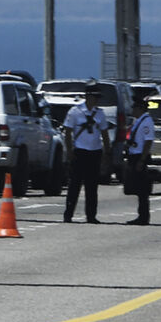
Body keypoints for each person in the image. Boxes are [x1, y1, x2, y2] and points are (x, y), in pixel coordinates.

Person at [62, 80, 111, 224]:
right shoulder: (75, 111)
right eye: (95, 97)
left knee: (92, 186)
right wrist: (70, 150)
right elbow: (68, 132)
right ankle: (68, 214)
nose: (96, 100)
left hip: (94, 152)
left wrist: (107, 153)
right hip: (80, 152)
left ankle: (91, 215)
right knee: (74, 185)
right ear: (88, 96)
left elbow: (104, 134)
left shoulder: (100, 114)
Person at [124, 96, 155, 225]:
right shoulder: (138, 121)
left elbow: (148, 141)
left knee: (142, 190)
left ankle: (143, 217)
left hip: (139, 156)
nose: (133, 110)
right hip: (134, 155)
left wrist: (142, 160)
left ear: (140, 108)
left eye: (134, 108)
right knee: (137, 189)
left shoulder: (146, 121)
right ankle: (141, 215)